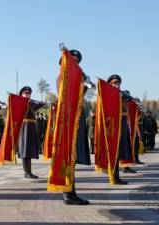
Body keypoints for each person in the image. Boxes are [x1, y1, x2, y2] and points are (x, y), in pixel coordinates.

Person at [59, 49, 91, 205]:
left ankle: (71, 192)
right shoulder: (63, 78)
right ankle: (68, 194)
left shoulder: (72, 79)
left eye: (77, 64)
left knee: (72, 159)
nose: (76, 66)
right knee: (68, 158)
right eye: (74, 63)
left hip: (75, 121)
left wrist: (85, 84)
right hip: (68, 124)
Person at [107, 75, 135, 183]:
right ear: (110, 84)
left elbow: (129, 98)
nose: (116, 85)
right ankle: (114, 177)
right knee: (113, 152)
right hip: (113, 127)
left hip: (122, 125)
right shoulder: (108, 94)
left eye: (118, 83)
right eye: (114, 83)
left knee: (120, 152)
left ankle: (116, 176)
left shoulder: (121, 94)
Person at [17, 86, 45, 179]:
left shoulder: (31, 103)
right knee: (25, 150)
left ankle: (29, 172)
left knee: (29, 150)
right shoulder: (20, 103)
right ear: (21, 95)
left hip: (31, 128)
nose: (28, 95)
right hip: (24, 127)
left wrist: (41, 104)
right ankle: (26, 172)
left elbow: (36, 107)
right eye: (26, 93)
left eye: (29, 94)